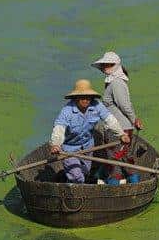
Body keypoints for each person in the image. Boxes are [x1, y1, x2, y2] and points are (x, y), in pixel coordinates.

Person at [50, 79, 130, 184]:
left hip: (87, 146)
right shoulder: (67, 111)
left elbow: (109, 119)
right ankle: (76, 181)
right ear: (76, 98)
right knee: (77, 177)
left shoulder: (96, 105)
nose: (86, 100)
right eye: (82, 97)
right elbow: (59, 128)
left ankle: (65, 177)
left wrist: (121, 134)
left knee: (85, 173)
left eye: (88, 97)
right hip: (69, 148)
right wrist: (56, 144)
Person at [91, 51, 144, 184]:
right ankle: (134, 183)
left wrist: (134, 119)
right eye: (104, 65)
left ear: (116, 65)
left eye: (108, 64)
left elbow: (124, 105)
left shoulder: (116, 83)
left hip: (118, 129)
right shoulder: (114, 82)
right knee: (125, 157)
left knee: (113, 161)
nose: (105, 67)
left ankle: (114, 188)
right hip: (122, 127)